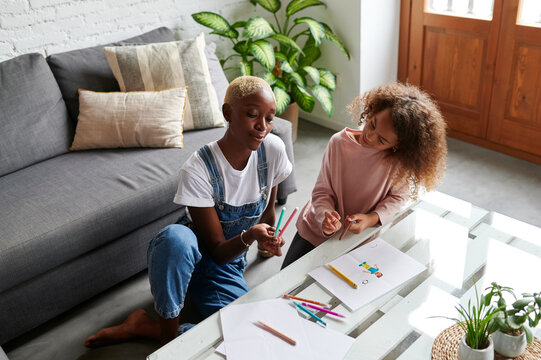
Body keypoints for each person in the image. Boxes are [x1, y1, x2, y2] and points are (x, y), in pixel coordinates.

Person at [84, 76, 292, 347]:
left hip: (226, 267)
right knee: (175, 239)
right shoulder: (199, 168)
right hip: (188, 258)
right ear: (228, 113)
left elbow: (267, 215)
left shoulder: (272, 151)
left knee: (247, 338)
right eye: (253, 115)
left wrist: (267, 243)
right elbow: (216, 250)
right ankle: (169, 336)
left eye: (270, 118)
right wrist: (251, 235)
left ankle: (146, 327)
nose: (262, 126)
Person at [281, 82, 447, 269]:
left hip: (357, 240)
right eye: (372, 124)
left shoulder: (398, 165)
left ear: (397, 145)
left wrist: (372, 218)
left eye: (382, 139)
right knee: (287, 279)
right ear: (372, 111)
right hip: (315, 230)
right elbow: (322, 192)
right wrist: (325, 216)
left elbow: (399, 197)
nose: (370, 135)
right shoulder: (338, 143)